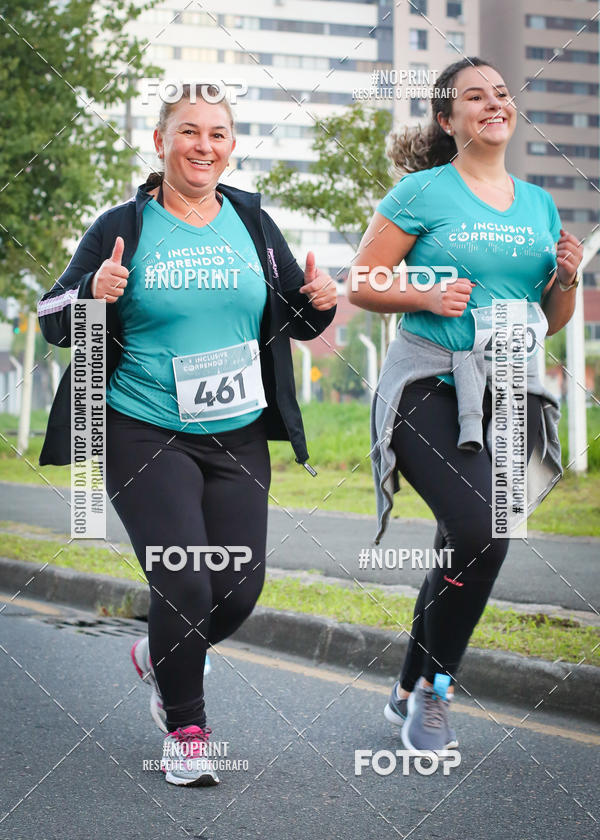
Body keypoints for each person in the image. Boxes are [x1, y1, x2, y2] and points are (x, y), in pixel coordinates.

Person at [38, 83, 336, 786]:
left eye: (218, 134)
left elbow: (295, 318)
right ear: (160, 142)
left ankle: (160, 654)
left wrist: (319, 304)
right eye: (189, 131)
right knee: (184, 579)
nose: (204, 146)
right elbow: (53, 315)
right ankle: (187, 730)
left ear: (231, 146)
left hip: (237, 432)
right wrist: (93, 293)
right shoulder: (123, 225)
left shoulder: (253, 223)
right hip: (142, 427)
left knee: (238, 589)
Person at [349, 58, 582, 754]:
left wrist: (567, 279)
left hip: (508, 390)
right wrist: (425, 294)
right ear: (448, 120)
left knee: (469, 541)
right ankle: (435, 692)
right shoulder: (422, 192)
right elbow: (360, 281)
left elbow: (551, 318)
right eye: (475, 97)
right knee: (484, 531)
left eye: (501, 94)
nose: (494, 104)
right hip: (428, 384)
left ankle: (411, 686)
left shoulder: (538, 205)